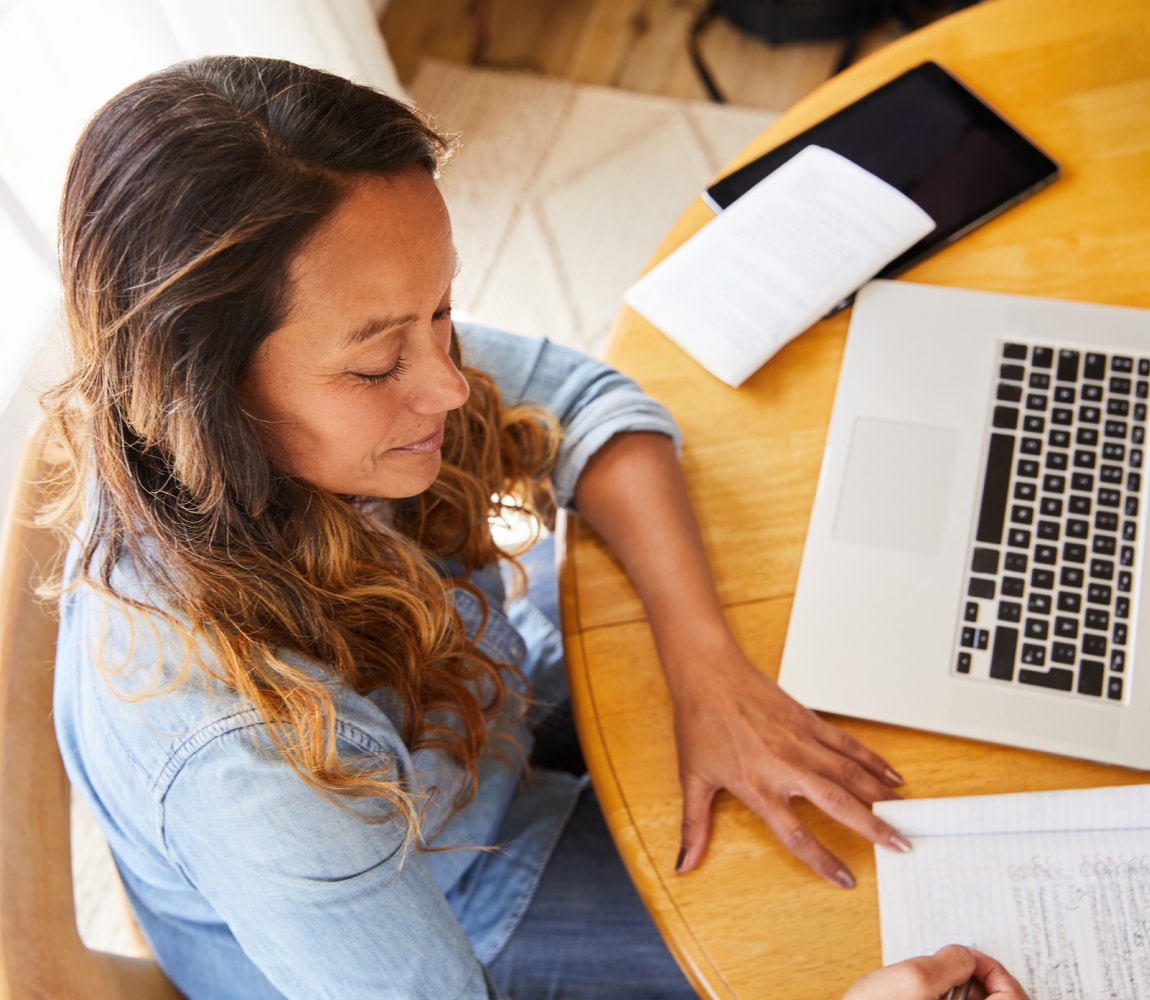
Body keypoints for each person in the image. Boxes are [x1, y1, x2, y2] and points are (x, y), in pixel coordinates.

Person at [43, 54, 1028, 999]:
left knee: (861, 684)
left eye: (442, 310)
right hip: (447, 894)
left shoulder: (299, 403)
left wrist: (705, 669)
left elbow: (588, 399)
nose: (446, 382)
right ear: (206, 393)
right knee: (870, 932)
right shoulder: (245, 763)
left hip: (473, 729)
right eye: (378, 364)